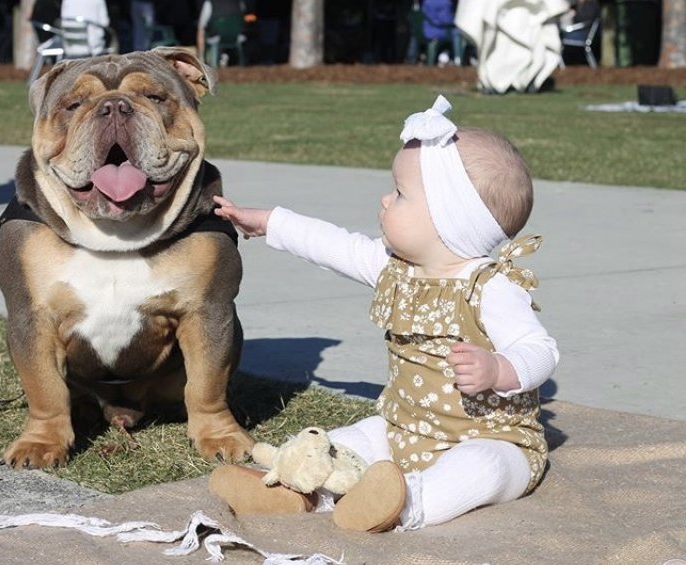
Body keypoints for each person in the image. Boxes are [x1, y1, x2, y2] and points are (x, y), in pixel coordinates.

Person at [209, 95, 559, 532]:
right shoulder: (394, 268)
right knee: (346, 442)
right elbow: (333, 246)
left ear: (448, 220)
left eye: (400, 193)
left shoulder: (490, 288)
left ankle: (405, 504)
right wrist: (271, 223)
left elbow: (540, 349)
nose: (385, 199)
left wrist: (500, 369)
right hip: (403, 431)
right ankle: (296, 492)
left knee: (483, 470)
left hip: (492, 437)